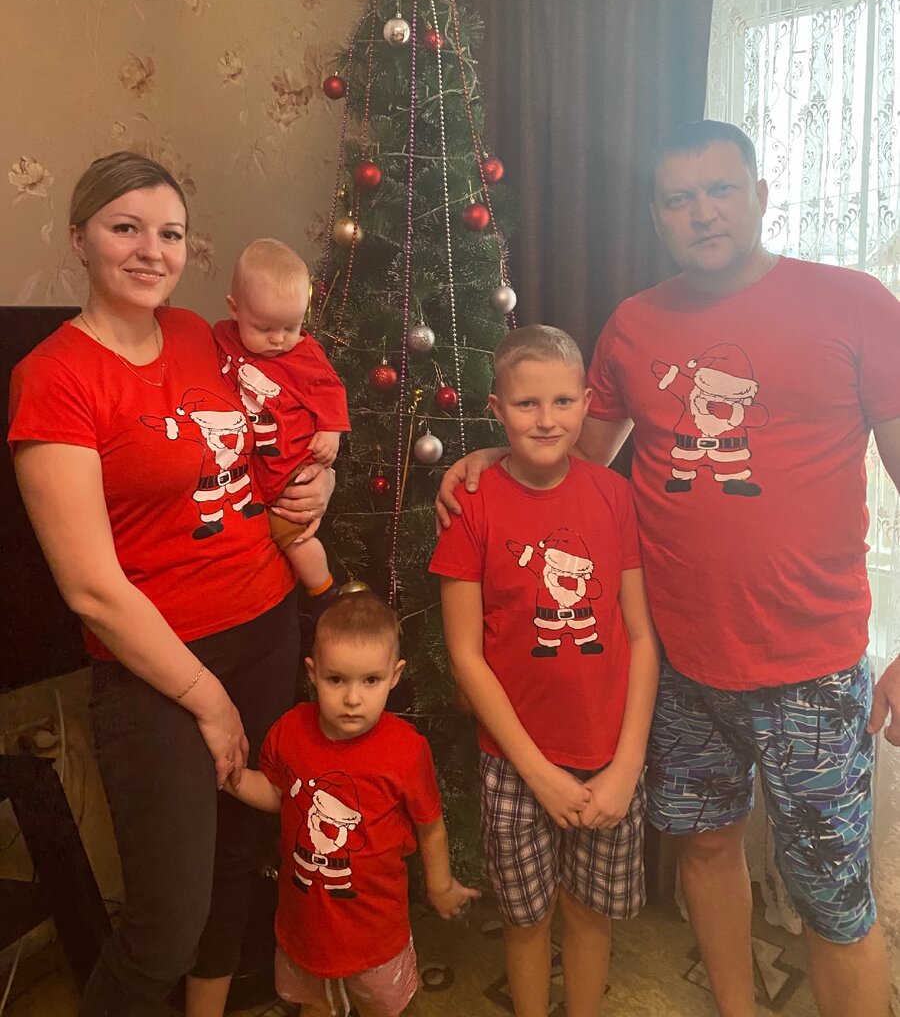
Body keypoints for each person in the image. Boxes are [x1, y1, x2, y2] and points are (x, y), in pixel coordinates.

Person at [436, 121, 900, 1017]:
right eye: (679, 199)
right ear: (656, 216)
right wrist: (492, 458)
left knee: (834, 900)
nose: (702, 212)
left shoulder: (854, 304)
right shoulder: (634, 326)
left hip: (811, 667)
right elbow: (575, 459)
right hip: (679, 667)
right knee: (706, 849)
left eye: (720, 190)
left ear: (760, 195)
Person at [8, 151, 335, 1017]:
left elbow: (286, 430)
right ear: (79, 237)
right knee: (164, 923)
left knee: (237, 866)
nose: (151, 251)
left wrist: (322, 480)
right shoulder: (54, 378)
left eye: (171, 233)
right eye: (126, 228)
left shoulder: (201, 336)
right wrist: (207, 701)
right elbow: (90, 588)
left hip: (266, 626)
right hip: (158, 666)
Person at [430, 325, 660, 1017]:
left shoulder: (613, 495)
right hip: (514, 765)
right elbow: (466, 656)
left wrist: (626, 766)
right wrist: (537, 772)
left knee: (590, 915)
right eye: (527, 404)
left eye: (562, 401)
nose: (547, 419)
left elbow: (642, 637)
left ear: (588, 402)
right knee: (526, 922)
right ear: (497, 409)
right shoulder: (471, 504)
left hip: (607, 757)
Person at [223, 592, 480, 1017]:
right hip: (305, 928)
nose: (353, 698)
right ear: (313, 673)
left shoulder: (406, 750)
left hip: (377, 932)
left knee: (385, 1008)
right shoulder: (290, 731)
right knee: (314, 1005)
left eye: (370, 680)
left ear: (395, 676)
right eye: (336, 680)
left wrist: (440, 886)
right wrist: (231, 778)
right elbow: (277, 795)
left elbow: (430, 825)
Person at [215, 238, 350, 610]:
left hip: (291, 466)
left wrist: (331, 431)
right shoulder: (221, 338)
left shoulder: (304, 354)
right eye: (264, 328)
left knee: (293, 537)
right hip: (254, 469)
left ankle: (324, 591)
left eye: (291, 326)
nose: (278, 340)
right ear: (234, 309)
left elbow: (330, 389)